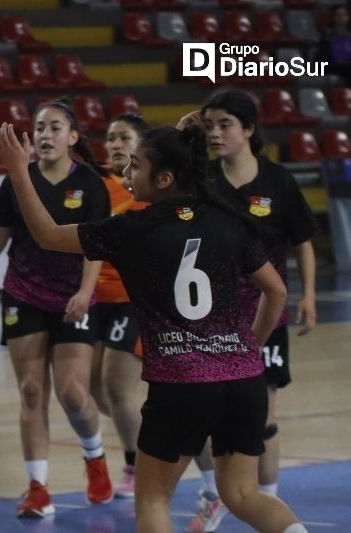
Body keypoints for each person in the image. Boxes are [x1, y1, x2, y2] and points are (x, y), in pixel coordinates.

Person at [0, 119, 309, 533]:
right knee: (244, 496)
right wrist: (249, 347)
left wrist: (19, 171)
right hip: (244, 381)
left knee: (154, 500)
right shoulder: (228, 219)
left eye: (137, 165)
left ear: (164, 178)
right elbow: (277, 293)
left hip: (181, 386)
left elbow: (48, 234)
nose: (126, 170)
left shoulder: (131, 229)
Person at [0, 98, 113, 518]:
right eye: (39, 127)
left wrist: (85, 290)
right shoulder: (18, 179)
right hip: (23, 294)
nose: (45, 134)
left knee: (74, 395)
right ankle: (38, 487)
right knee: (30, 390)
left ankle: (95, 457)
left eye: (55, 127)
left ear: (73, 137)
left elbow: (96, 244)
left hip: (73, 299)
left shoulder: (91, 184)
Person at [177, 89, 319, 533]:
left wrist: (309, 295)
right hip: (212, 320)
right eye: (210, 125)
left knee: (264, 419)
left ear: (249, 130)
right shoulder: (203, 182)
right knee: (202, 413)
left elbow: (303, 242)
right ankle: (217, 493)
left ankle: (268, 505)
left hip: (265, 318)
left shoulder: (277, 182)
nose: (215, 134)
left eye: (225, 125)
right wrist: (183, 139)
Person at [89, 113, 148, 500]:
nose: (114, 144)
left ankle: (136, 465)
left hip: (132, 299)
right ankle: (156, 436)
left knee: (116, 384)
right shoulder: (95, 187)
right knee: (95, 390)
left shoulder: (145, 190)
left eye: (124, 137)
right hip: (96, 299)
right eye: (110, 137)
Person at [317, 5, 351, 84]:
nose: (341, 17)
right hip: (332, 64)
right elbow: (322, 56)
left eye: (344, 15)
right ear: (334, 18)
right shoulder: (327, 34)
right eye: (338, 15)